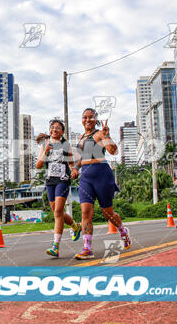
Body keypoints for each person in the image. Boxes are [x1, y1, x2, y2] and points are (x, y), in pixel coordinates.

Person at [74, 108, 130, 260]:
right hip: (85, 176)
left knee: (108, 213)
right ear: (82, 119)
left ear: (95, 119)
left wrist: (107, 136)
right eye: (85, 117)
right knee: (85, 212)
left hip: (102, 175)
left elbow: (113, 151)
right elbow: (82, 158)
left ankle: (122, 230)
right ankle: (87, 248)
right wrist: (75, 168)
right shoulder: (80, 137)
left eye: (91, 117)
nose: (87, 120)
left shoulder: (99, 134)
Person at [36, 118, 82, 258]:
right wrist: (46, 151)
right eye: (52, 127)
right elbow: (38, 165)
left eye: (57, 128)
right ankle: (75, 226)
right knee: (58, 213)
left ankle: (55, 246)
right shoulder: (45, 144)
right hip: (50, 181)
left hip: (63, 180)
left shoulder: (65, 145)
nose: (54, 130)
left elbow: (70, 163)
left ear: (62, 132)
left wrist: (74, 170)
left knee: (57, 212)